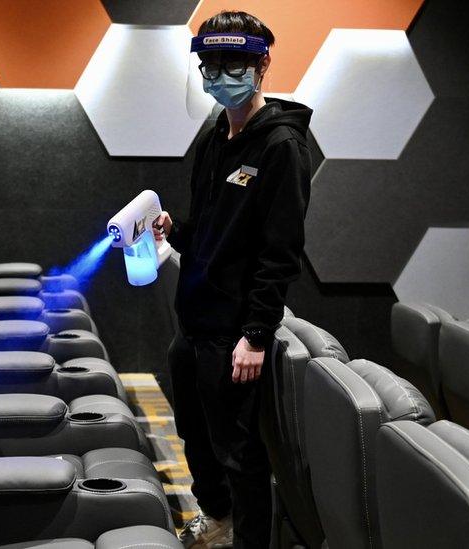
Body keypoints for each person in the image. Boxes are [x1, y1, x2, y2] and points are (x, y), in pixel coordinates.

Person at [153, 10, 313, 549]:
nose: (222, 75)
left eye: (235, 64)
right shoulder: (215, 137)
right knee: (194, 433)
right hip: (194, 319)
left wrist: (256, 334)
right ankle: (217, 519)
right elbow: (212, 228)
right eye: (212, 65)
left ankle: (250, 540)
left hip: (234, 330)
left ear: (262, 63)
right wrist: (176, 229)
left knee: (238, 450)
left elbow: (280, 251)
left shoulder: (280, 147)